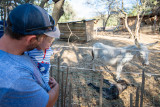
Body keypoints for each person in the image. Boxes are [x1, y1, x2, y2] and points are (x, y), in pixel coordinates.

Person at [0, 3, 59, 107]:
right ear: (31, 39)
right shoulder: (16, 78)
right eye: (43, 37)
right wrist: (57, 88)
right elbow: (47, 103)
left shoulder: (16, 51)